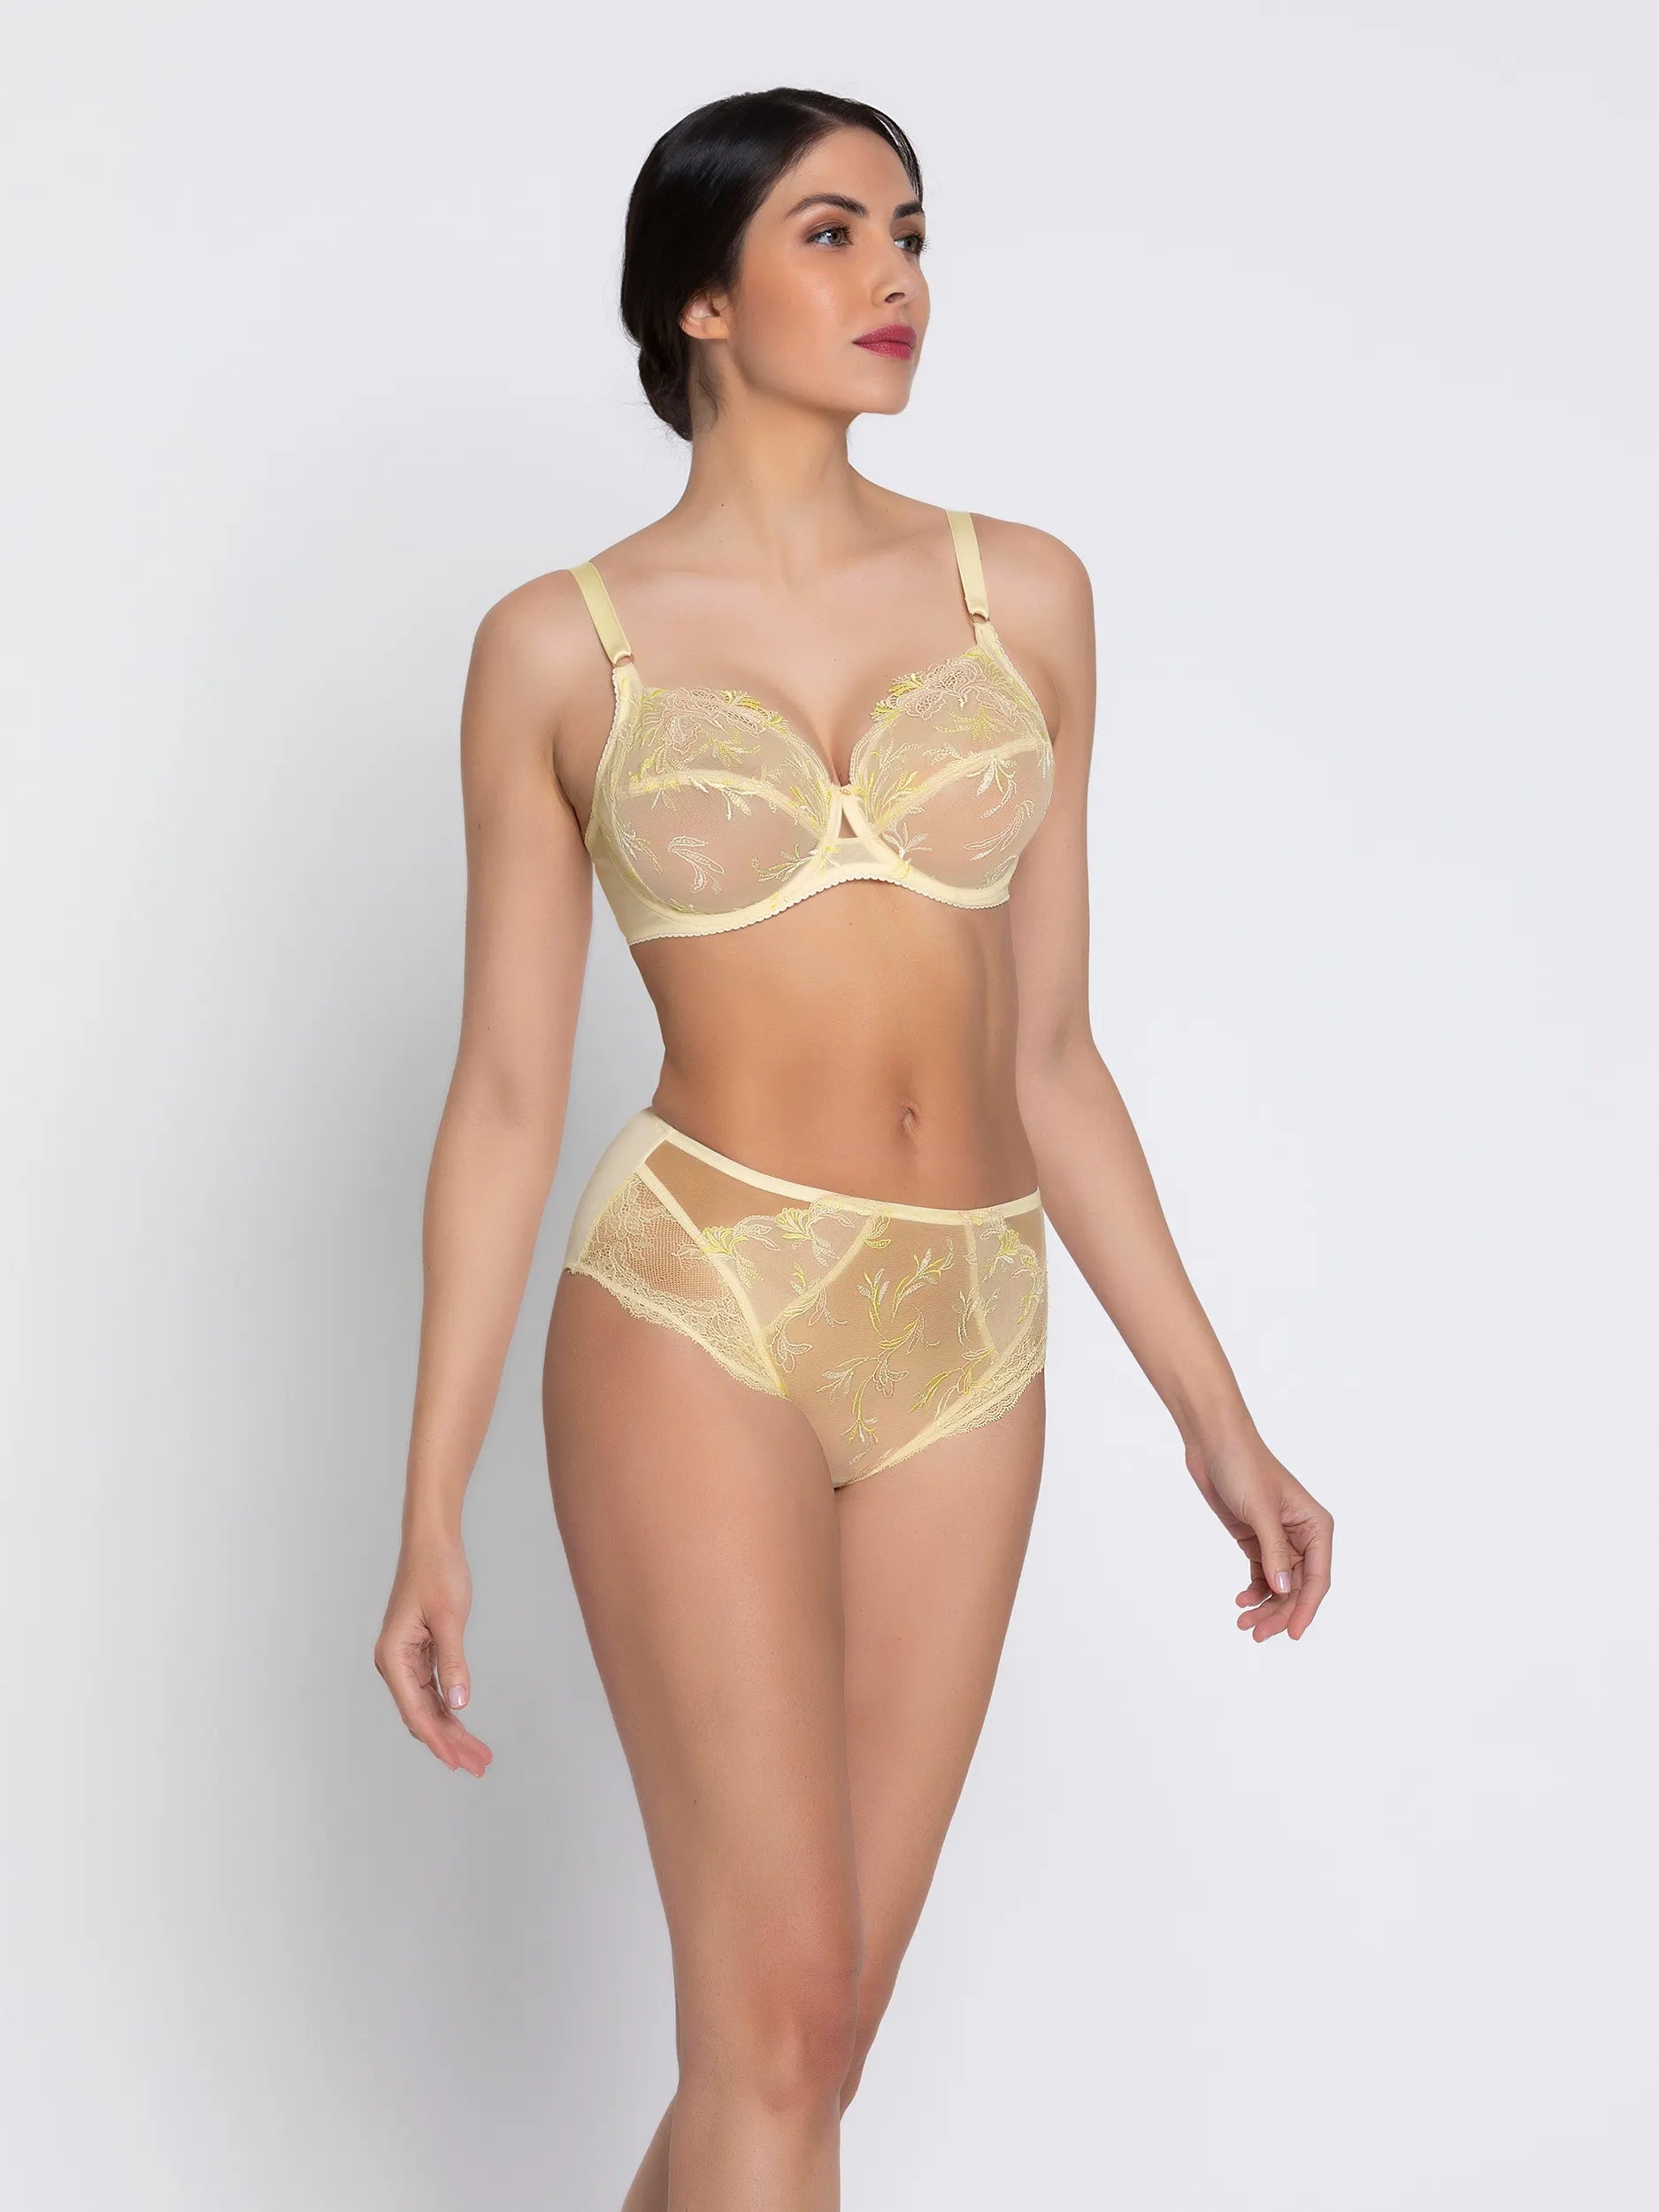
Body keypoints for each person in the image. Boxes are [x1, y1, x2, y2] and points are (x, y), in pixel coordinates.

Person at [375, 84, 1333, 2211]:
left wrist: (1218, 1420)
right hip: (695, 1294)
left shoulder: (1025, 596)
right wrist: (428, 1502)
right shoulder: (557, 646)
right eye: (830, 233)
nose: (894, 274)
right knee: (774, 2015)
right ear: (699, 300)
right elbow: (505, 1093)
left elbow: (1051, 1054)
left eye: (908, 230)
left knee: (806, 2036)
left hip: (968, 1321)